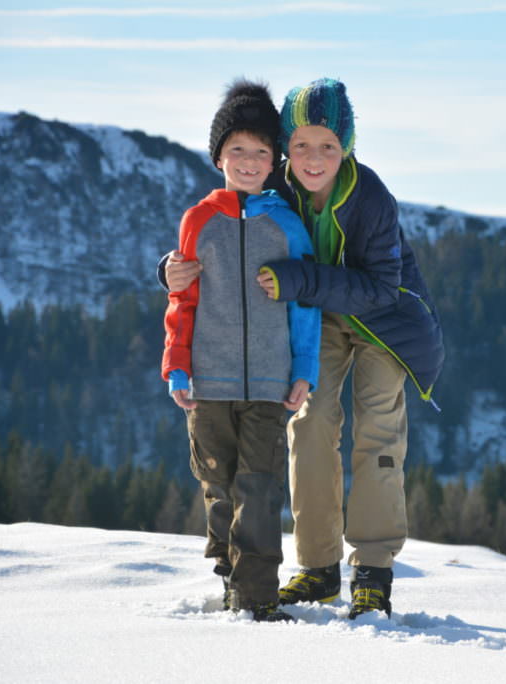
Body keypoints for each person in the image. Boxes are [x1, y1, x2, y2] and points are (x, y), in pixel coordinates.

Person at [163, 77, 444, 619]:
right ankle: (318, 567)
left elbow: (382, 288)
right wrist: (168, 271)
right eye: (302, 145)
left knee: (378, 430)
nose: (314, 158)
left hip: (385, 324)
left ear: (348, 148)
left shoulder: (371, 199)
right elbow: (228, 240)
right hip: (321, 318)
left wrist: (300, 281)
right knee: (309, 423)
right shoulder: (278, 189)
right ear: (286, 148)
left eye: (329, 146)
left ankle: (373, 570)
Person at [161, 79, 321, 623]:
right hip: (208, 382)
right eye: (237, 151)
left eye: (260, 152)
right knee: (219, 486)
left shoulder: (287, 225)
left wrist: (304, 368)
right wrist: (176, 364)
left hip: (271, 384)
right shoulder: (197, 221)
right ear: (218, 156)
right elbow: (182, 300)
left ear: (274, 159)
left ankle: (256, 597)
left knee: (259, 487)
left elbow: (304, 304)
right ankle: (230, 574)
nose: (249, 161)